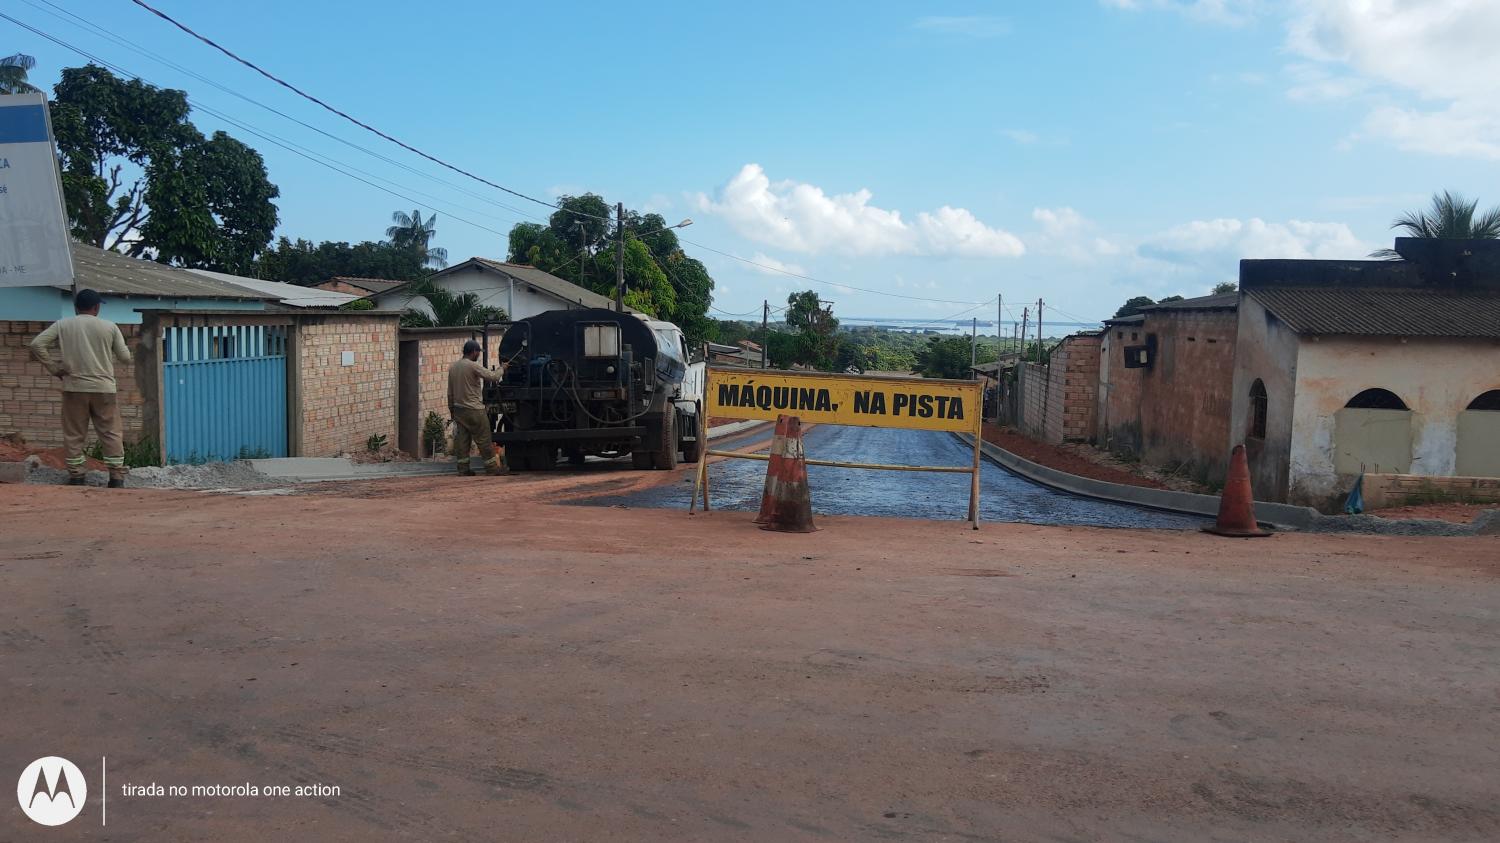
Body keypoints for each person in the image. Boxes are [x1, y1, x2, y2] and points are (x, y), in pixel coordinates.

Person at [29, 289, 133, 487]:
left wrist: (54, 368)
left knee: (74, 433)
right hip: (104, 389)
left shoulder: (63, 325)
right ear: (97, 307)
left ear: (76, 307)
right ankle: (116, 477)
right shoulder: (109, 327)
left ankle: (77, 476)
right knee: (110, 432)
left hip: (74, 388)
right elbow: (125, 358)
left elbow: (36, 344)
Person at [448, 340, 503, 476]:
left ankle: (463, 469)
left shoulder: (454, 368)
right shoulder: (473, 366)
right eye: (478, 352)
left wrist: (452, 411)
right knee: (484, 439)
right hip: (474, 410)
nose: (479, 355)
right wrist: (502, 368)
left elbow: (450, 393)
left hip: (459, 410)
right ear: (473, 352)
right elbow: (493, 376)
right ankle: (492, 468)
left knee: (463, 441)